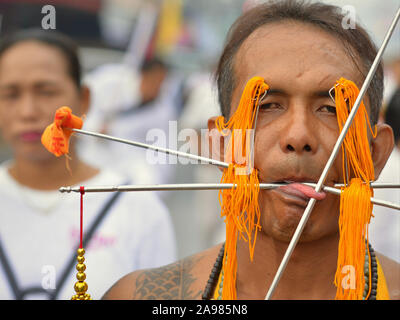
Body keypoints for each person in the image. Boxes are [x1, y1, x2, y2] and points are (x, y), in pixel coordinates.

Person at [103, 0, 400, 300]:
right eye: (268, 106)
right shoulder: (146, 297)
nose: (298, 136)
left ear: (375, 154)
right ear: (221, 145)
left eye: (330, 109)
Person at [0, 28, 177, 300]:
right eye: (11, 95)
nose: (28, 111)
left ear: (84, 99)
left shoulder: (139, 210)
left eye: (46, 91)